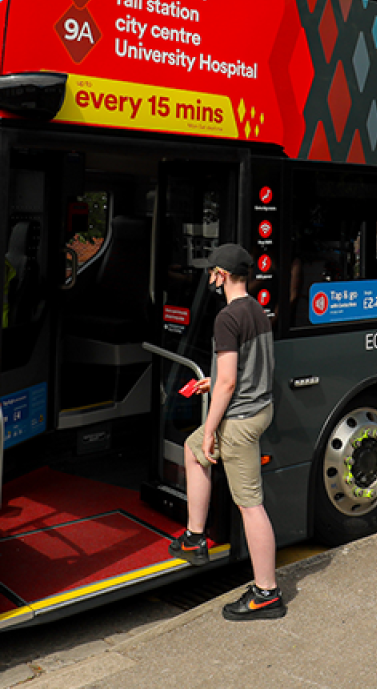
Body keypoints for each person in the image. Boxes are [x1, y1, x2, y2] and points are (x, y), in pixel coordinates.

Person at [167, 242, 286, 620]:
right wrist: (213, 381)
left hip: (239, 421)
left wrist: (211, 428)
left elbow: (229, 383)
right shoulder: (258, 311)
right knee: (191, 449)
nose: (210, 279)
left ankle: (267, 592)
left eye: (211, 273)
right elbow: (245, 369)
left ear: (220, 275)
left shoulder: (227, 317)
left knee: (250, 505)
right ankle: (195, 535)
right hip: (259, 409)